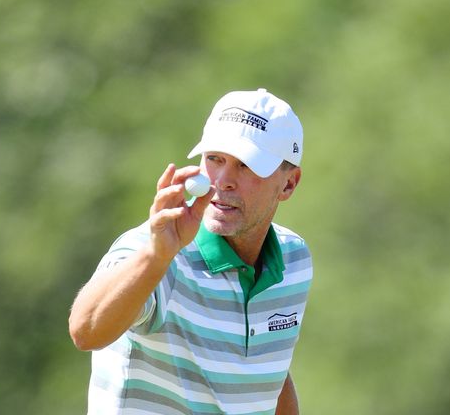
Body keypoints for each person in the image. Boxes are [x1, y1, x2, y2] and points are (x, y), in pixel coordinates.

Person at [69, 88, 314, 414]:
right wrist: (156, 256)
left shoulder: (294, 258)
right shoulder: (156, 249)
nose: (223, 180)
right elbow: (86, 331)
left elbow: (266, 370)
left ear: (289, 183)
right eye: (214, 159)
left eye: (246, 165)